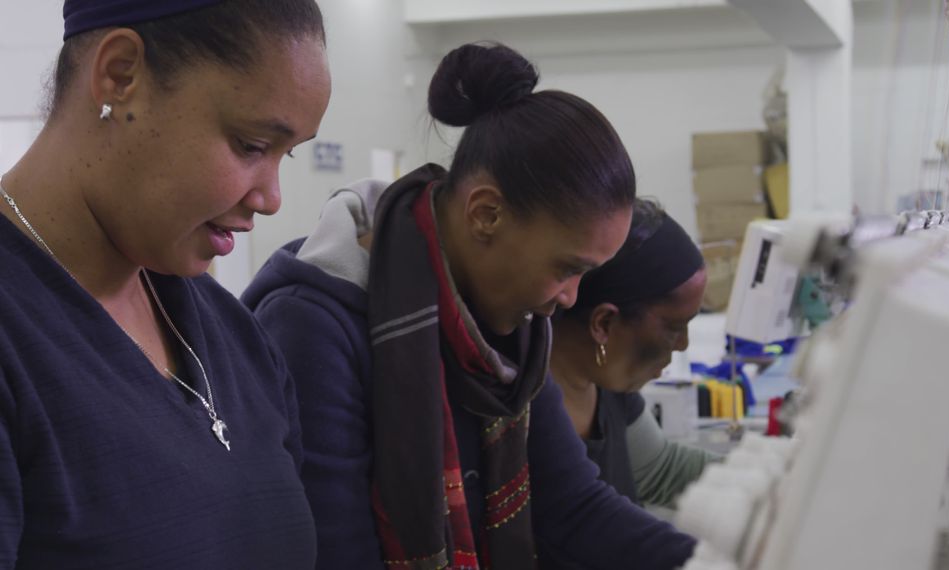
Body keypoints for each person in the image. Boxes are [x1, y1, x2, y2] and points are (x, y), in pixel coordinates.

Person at [243, 42, 696, 569]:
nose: (570, 298)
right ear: (486, 215)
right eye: (567, 268)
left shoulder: (509, 337)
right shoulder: (315, 326)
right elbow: (336, 555)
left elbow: (574, 508)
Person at [0, 1, 331, 568]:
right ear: (121, 73)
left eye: (287, 155)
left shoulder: (237, 338)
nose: (271, 199)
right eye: (251, 145)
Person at [550, 199, 721, 509]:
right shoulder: (526, 416)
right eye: (674, 327)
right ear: (604, 323)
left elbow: (662, 471)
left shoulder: (605, 381)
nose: (682, 344)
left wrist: (787, 476)